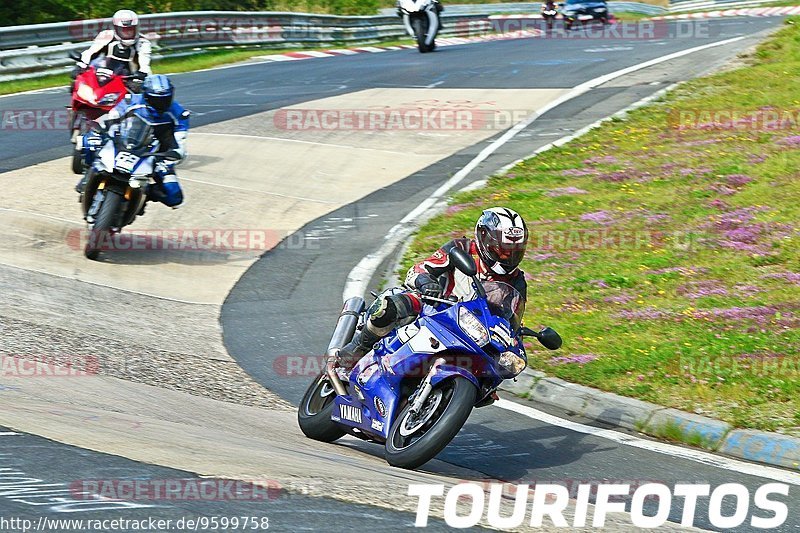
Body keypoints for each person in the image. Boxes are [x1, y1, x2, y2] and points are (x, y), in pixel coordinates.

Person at [337, 207, 529, 369]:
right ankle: (359, 347)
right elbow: (420, 269)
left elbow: (512, 319)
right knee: (391, 306)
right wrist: (427, 283)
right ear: (484, 239)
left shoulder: (517, 280)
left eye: (515, 251)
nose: (508, 257)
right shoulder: (460, 247)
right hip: (433, 307)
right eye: (502, 250)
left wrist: (513, 337)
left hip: (471, 332)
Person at [77, 74, 189, 208]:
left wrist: (175, 154)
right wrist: (100, 129)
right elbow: (112, 116)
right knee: (88, 142)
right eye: (156, 100)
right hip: (126, 141)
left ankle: (144, 193)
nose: (162, 104)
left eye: (166, 99)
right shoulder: (131, 101)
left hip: (155, 153)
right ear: (146, 96)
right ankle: (87, 176)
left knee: (174, 197)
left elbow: (180, 139)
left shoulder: (179, 114)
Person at [71, 10, 152, 89]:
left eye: (130, 29)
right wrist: (80, 66)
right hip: (104, 75)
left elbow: (144, 64)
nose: (127, 32)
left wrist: (138, 78)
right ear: (116, 29)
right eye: (123, 30)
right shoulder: (106, 35)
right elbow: (91, 52)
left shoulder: (143, 42)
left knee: (144, 93)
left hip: (130, 79)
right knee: (77, 86)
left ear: (136, 28)